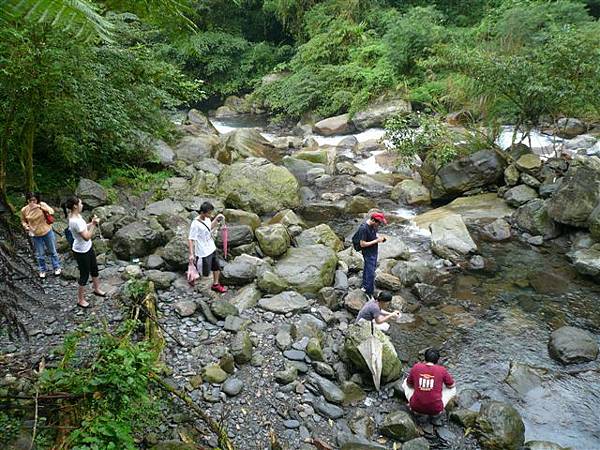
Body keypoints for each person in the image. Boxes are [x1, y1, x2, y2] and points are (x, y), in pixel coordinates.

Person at [63, 196, 106, 308]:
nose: (82, 205)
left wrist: (91, 223)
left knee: (94, 269)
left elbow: (82, 229)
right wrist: (94, 225)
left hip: (88, 247)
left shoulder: (76, 216)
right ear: (75, 206)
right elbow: (86, 236)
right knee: (84, 275)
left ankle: (97, 289)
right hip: (81, 251)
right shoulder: (74, 221)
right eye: (81, 204)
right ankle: (80, 299)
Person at [403, 348, 456, 426]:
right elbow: (451, 385)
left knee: (405, 382)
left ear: (425, 358)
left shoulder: (416, 367)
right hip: (436, 409)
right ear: (437, 360)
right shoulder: (442, 370)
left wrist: (419, 385)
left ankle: (414, 406)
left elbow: (409, 385)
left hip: (415, 407)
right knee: (452, 389)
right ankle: (435, 414)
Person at [188, 201, 227, 294]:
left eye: (211, 213)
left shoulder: (207, 219)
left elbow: (209, 228)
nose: (211, 215)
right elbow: (190, 239)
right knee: (204, 272)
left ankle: (216, 284)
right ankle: (194, 281)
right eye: (209, 213)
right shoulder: (195, 224)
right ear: (202, 213)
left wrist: (217, 219)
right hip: (203, 252)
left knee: (216, 267)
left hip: (211, 247)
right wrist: (191, 254)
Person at [21, 192, 61, 278]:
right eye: (30, 200)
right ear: (27, 200)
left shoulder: (42, 204)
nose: (32, 202)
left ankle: (56, 267)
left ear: (37, 199)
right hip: (35, 234)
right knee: (40, 254)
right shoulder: (25, 210)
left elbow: (52, 211)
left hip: (47, 231)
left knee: (52, 251)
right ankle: (42, 270)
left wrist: (39, 206)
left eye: (34, 200)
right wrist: (26, 226)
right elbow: (23, 220)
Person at [357, 212, 387, 300]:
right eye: (379, 223)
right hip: (368, 253)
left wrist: (379, 238)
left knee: (369, 269)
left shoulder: (373, 226)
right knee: (370, 272)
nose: (379, 225)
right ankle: (368, 292)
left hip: (373, 251)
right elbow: (362, 244)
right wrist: (377, 241)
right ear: (373, 220)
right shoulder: (363, 228)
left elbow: (374, 235)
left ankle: (365, 286)